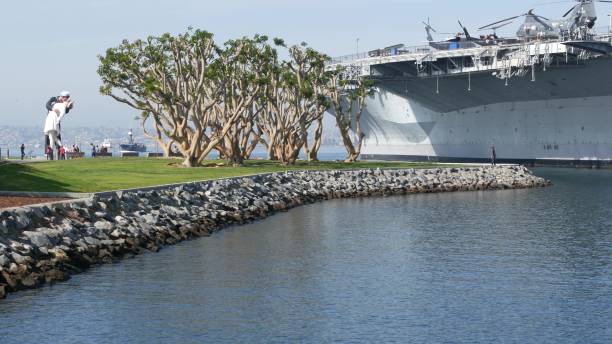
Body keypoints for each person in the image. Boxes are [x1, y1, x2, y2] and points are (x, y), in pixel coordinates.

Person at [44, 92, 73, 160]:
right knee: (50, 139)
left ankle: (60, 154)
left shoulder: (63, 104)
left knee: (55, 137)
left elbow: (65, 111)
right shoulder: (53, 99)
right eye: (65, 98)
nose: (65, 100)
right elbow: (47, 105)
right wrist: (52, 108)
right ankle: (50, 154)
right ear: (62, 97)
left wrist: (68, 107)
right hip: (50, 121)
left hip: (55, 122)